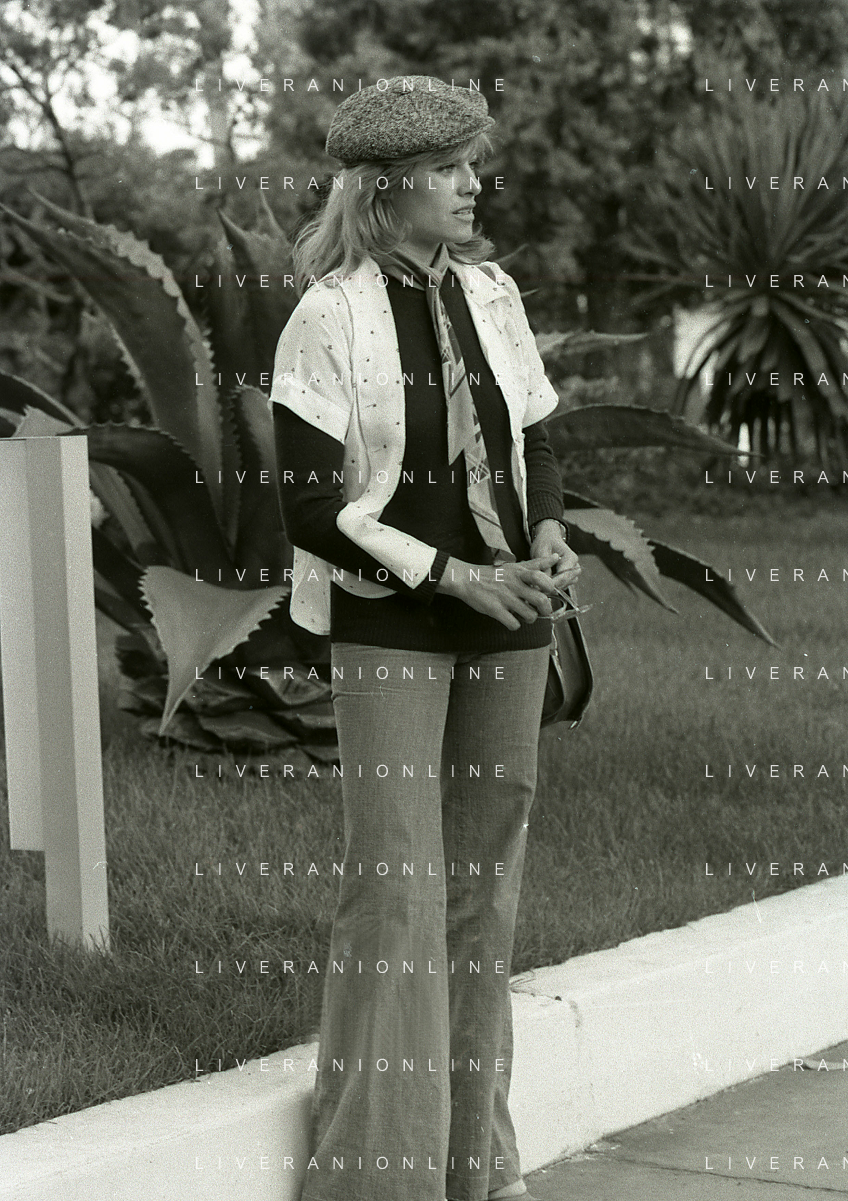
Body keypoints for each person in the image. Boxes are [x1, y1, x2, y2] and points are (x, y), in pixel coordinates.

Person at [270, 75, 591, 1201]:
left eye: (471, 165)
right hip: (394, 620)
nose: (471, 185)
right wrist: (454, 575)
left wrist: (546, 534)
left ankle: (475, 1167)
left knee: (481, 893)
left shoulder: (493, 294)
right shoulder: (327, 316)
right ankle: (375, 1180)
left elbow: (534, 435)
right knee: (395, 892)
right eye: (449, 169)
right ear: (386, 187)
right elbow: (310, 507)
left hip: (511, 618)